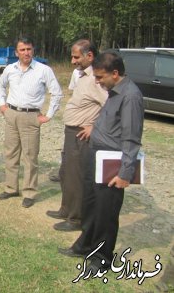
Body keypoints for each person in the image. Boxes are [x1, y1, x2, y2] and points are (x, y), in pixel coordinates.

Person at [58, 51, 144, 273]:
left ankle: (102, 259)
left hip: (112, 162)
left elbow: (131, 138)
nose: (97, 81)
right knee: (91, 205)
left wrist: (125, 173)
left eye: (100, 77)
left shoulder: (130, 96)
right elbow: (107, 120)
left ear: (115, 73)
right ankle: (85, 245)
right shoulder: (113, 90)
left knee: (106, 212)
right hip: (96, 155)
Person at [46, 40, 107, 231]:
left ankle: (76, 218)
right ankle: (66, 209)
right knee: (66, 173)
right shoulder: (82, 75)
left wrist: (94, 127)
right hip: (71, 132)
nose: (72, 61)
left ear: (90, 56)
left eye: (76, 57)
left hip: (82, 134)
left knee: (77, 177)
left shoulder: (96, 79)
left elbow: (111, 106)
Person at [0, 37, 63, 208]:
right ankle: (11, 188)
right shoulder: (10, 69)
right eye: (22, 49)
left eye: (29, 49)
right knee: (11, 154)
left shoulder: (43, 70)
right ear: (16, 52)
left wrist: (48, 115)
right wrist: (2, 105)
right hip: (11, 114)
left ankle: (29, 192)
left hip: (31, 117)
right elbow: (0, 86)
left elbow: (57, 93)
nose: (26, 52)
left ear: (33, 50)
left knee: (30, 156)